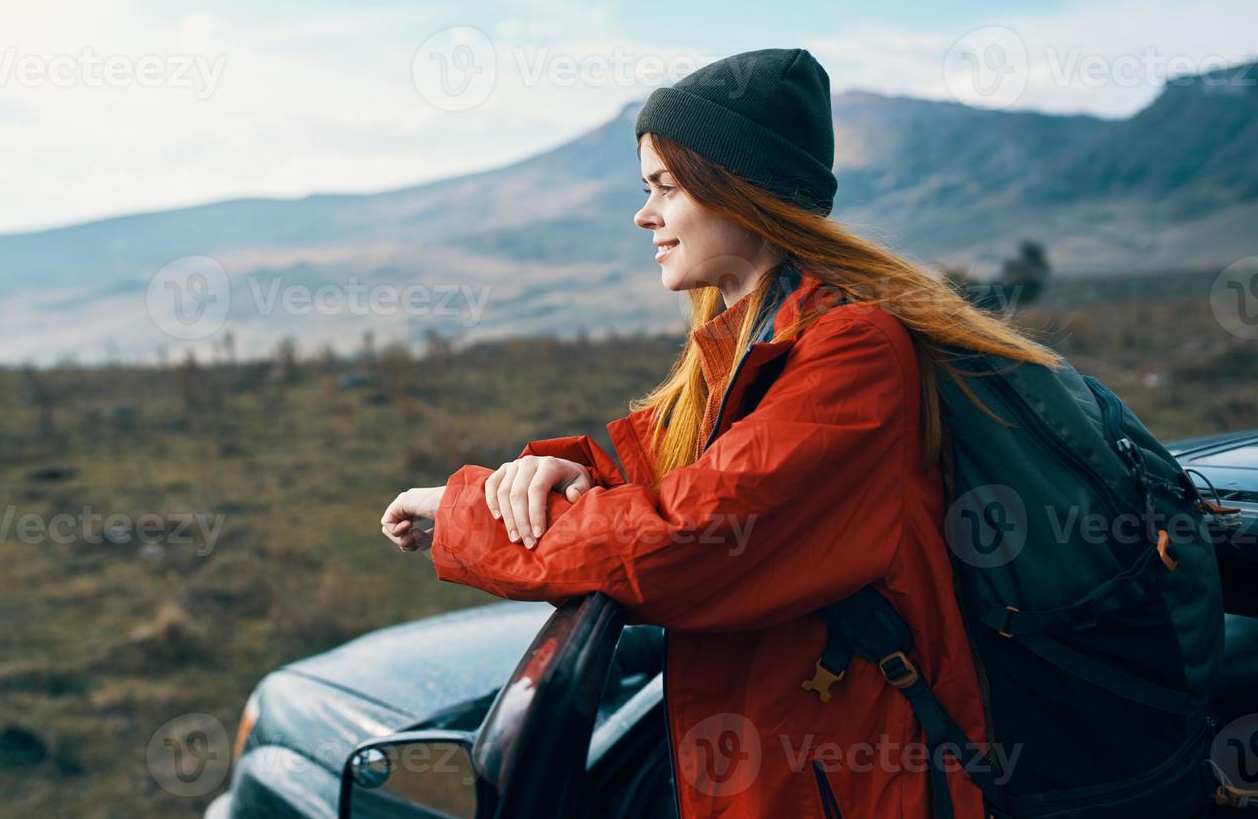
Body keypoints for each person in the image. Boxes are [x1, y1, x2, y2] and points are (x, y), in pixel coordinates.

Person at [381, 47, 1061, 818]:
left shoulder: (851, 350)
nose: (645, 215)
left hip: (862, 787)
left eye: (665, 188)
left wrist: (466, 509)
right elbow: (646, 463)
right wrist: (538, 473)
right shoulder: (745, 347)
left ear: (739, 194)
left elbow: (687, 538)